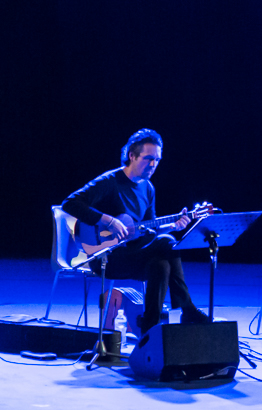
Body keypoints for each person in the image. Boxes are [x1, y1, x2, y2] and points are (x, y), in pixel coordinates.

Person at [61, 128, 212, 336]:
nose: (153, 165)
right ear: (132, 155)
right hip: (105, 257)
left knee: (160, 263)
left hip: (134, 255)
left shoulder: (148, 188)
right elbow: (70, 203)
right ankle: (187, 309)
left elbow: (149, 230)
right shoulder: (110, 182)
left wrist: (173, 225)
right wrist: (108, 220)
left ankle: (149, 331)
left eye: (157, 160)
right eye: (148, 158)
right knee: (167, 242)